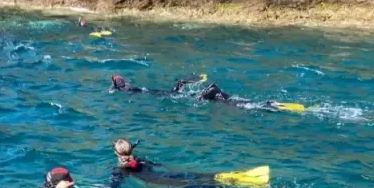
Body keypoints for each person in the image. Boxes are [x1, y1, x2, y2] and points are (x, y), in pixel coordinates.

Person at [109, 139, 269, 188]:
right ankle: (230, 175)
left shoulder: (121, 169)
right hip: (167, 174)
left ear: (117, 153)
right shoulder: (140, 159)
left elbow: (115, 184)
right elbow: (156, 164)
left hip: (160, 181)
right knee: (197, 176)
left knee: (194, 186)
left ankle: (236, 182)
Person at [110, 75, 305, 112]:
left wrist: (116, 88)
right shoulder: (134, 88)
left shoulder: (133, 90)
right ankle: (271, 103)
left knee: (240, 105)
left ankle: (210, 91)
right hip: (173, 94)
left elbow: (132, 90)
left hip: (175, 96)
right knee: (235, 101)